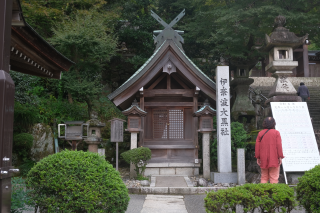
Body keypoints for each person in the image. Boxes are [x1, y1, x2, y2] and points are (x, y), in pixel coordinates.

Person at [255, 117, 284, 184]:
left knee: (264, 177)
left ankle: (263, 193)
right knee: (274, 177)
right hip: (274, 158)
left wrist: (258, 157)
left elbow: (257, 146)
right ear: (274, 124)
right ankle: (273, 193)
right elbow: (279, 145)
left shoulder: (260, 133)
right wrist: (280, 156)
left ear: (264, 123)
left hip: (263, 158)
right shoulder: (276, 133)